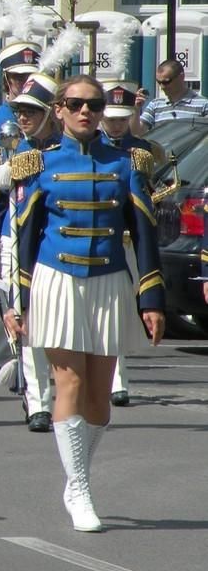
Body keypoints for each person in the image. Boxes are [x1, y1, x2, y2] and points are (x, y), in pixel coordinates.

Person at [4, 74, 164, 533]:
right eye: (75, 104)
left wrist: (150, 298)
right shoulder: (35, 163)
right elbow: (24, 239)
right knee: (68, 380)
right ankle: (79, 487)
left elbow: (145, 232)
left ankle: (79, 477)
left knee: (100, 396)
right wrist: (19, 302)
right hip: (56, 279)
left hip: (110, 279)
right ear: (59, 108)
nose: (85, 112)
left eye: (92, 105)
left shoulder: (128, 162)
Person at [0, 72, 61, 432]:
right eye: (18, 109)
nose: (22, 116)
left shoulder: (63, 150)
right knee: (26, 321)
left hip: (55, 244)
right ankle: (38, 402)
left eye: (32, 110)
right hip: (15, 243)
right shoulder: (15, 151)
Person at [102, 79, 166, 408]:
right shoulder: (92, 148)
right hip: (102, 238)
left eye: (120, 118)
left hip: (130, 238)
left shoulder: (144, 151)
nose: (114, 125)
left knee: (123, 307)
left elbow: (160, 187)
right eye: (110, 118)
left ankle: (117, 378)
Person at [0, 42, 41, 148]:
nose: (27, 82)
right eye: (20, 77)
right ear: (7, 80)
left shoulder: (47, 118)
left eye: (32, 77)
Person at [132, 60, 208, 135]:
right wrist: (136, 109)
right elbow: (137, 133)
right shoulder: (155, 105)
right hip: (161, 147)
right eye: (159, 82)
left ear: (181, 77)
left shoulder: (203, 104)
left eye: (166, 82)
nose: (162, 87)